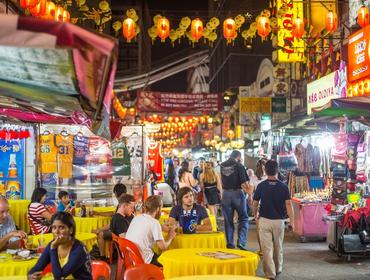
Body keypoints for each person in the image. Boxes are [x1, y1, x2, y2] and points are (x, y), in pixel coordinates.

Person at [253, 160, 294, 280]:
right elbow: (288, 205)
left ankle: (270, 274)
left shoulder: (261, 185)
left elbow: (255, 204)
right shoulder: (283, 186)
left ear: (265, 170)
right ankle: (278, 268)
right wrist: (292, 221)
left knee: (266, 249)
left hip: (264, 221)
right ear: (277, 171)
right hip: (279, 221)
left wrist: (255, 215)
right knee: (278, 246)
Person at [28, 212, 92, 280]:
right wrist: (31, 276)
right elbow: (37, 268)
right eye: (54, 227)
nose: (56, 231)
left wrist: (54, 249)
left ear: (71, 230)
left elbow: (59, 277)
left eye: (61, 227)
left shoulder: (79, 249)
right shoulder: (52, 245)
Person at [125, 195, 176, 267]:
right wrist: (170, 237)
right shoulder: (154, 223)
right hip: (145, 259)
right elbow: (163, 247)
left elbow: (147, 225)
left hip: (130, 256)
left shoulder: (137, 217)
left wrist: (161, 227)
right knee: (169, 263)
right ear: (158, 209)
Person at [220, 150, 251, 250]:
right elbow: (244, 183)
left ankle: (230, 243)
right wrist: (249, 194)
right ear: (238, 157)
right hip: (237, 193)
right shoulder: (239, 166)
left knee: (228, 219)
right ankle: (241, 241)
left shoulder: (222, 165)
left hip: (225, 194)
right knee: (243, 218)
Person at [93, 183, 128, 257]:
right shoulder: (126, 202)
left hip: (121, 234)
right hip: (125, 232)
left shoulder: (122, 204)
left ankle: (102, 257)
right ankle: (112, 252)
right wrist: (98, 213)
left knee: (100, 234)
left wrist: (98, 230)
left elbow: (112, 223)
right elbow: (113, 214)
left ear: (115, 193)